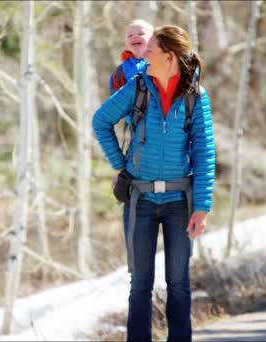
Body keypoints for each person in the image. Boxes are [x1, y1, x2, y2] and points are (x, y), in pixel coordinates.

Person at [92, 25, 215, 342]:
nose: (143, 55)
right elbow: (100, 120)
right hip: (140, 201)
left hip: (179, 202)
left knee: (178, 283)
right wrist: (120, 165)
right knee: (140, 285)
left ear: (169, 56)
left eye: (150, 51)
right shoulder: (137, 88)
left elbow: (204, 153)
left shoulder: (195, 97)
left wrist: (201, 207)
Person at [109, 19, 154, 95]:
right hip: (132, 105)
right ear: (126, 43)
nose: (135, 37)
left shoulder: (161, 62)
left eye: (141, 34)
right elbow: (114, 101)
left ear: (153, 39)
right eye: (130, 35)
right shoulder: (120, 72)